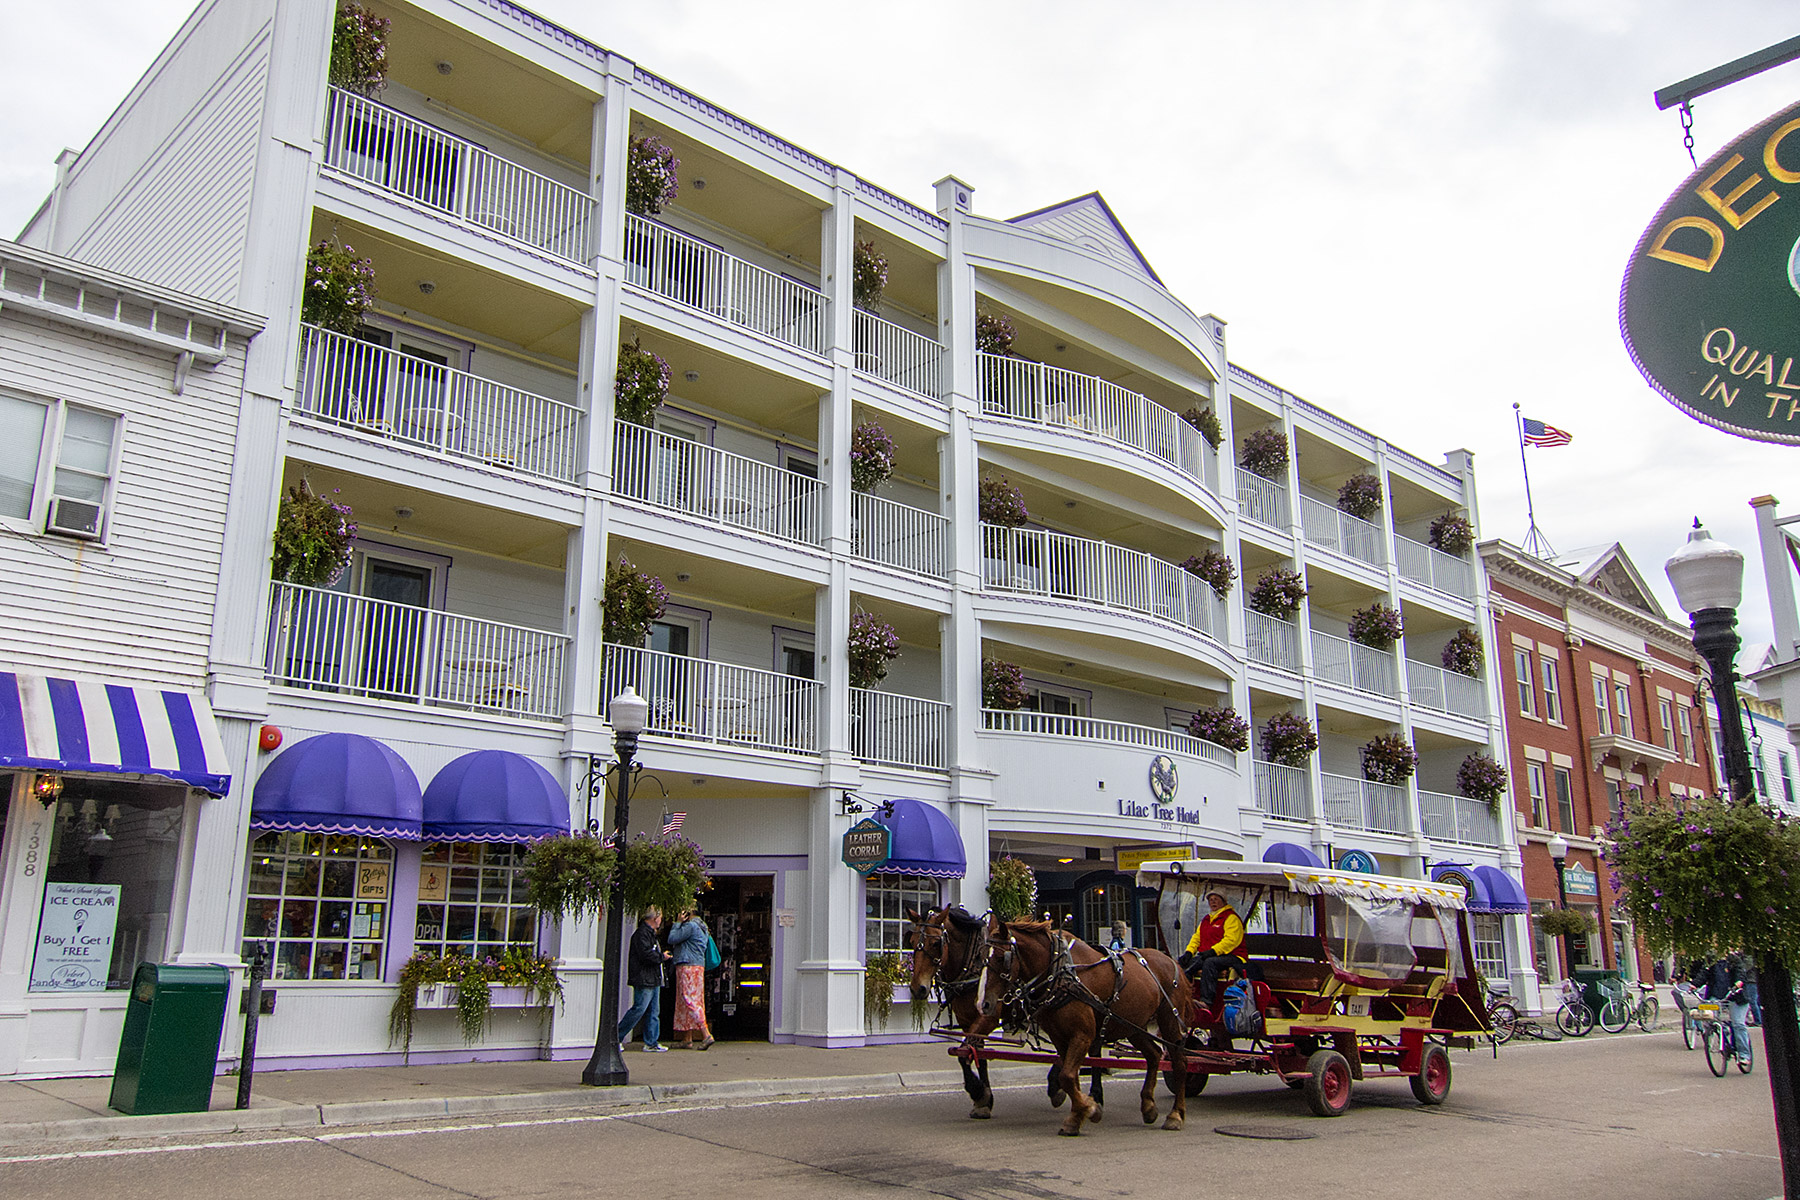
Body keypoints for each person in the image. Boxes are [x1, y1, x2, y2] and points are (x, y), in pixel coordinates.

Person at [616, 905, 670, 1051]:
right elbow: (646, 955)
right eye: (660, 917)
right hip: (644, 977)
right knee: (639, 1008)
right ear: (655, 918)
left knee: (653, 1010)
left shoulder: (648, 934)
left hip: (652, 977)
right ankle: (616, 1037)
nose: (661, 920)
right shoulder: (642, 934)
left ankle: (651, 1042)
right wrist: (661, 957)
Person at [1179, 891, 1246, 1006]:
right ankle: (1185, 996)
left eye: (1216, 899)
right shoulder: (1206, 919)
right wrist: (1189, 952)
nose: (1213, 902)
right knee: (1185, 964)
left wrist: (1213, 951)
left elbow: (1231, 940)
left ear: (1224, 901)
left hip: (1233, 956)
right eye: (1210, 900)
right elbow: (1197, 938)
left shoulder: (1231, 918)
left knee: (1210, 963)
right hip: (1209, 955)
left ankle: (1206, 1001)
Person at [666, 906, 715, 1050]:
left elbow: (672, 938)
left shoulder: (690, 926)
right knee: (687, 1001)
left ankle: (706, 1034)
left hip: (687, 965)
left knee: (690, 999)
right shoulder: (702, 926)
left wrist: (677, 923)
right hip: (697, 966)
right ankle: (687, 1038)